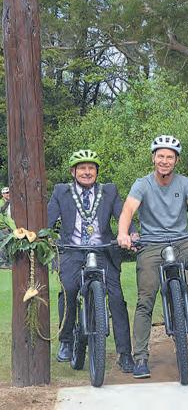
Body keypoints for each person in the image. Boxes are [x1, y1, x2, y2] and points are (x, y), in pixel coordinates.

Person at [117, 135, 188, 379]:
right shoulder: (142, 184)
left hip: (181, 241)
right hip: (151, 246)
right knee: (145, 300)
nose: (165, 161)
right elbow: (128, 210)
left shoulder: (185, 183)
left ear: (176, 161)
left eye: (170, 157)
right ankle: (140, 357)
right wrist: (123, 233)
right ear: (153, 158)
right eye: (160, 156)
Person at [47, 150, 135, 373]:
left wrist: (131, 234)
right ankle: (66, 340)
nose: (87, 172)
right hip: (72, 250)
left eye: (91, 168)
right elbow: (48, 220)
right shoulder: (61, 191)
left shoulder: (109, 191)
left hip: (103, 250)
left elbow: (123, 216)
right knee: (68, 289)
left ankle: (125, 354)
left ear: (97, 171)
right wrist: (42, 236)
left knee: (116, 298)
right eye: (82, 168)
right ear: (73, 171)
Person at [0, 187, 13, 268]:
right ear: (2, 194)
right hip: (2, 227)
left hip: (9, 227)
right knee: (3, 244)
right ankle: (2, 263)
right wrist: (3, 227)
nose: (8, 194)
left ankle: (8, 262)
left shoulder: (11, 202)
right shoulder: (1, 202)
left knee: (9, 244)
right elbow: (1, 211)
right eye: (6, 193)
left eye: (9, 192)